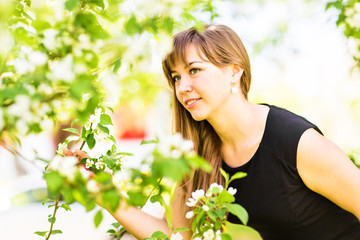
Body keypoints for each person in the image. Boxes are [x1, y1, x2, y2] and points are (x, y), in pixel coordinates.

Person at [71, 24, 360, 239]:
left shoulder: (295, 142)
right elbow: (175, 236)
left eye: (194, 70)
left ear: (234, 71)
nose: (182, 87)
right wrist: (102, 193)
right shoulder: (198, 155)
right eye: (175, 77)